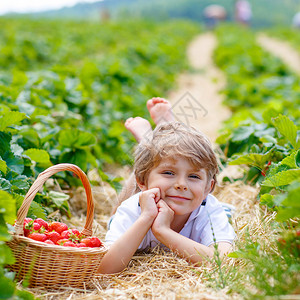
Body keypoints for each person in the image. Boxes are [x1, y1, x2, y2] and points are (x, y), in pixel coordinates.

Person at [98, 97, 235, 274]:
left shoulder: (209, 209)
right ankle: (149, 142)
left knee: (155, 163)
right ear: (141, 181)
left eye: (193, 176)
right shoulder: (133, 210)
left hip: (200, 203)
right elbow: (104, 269)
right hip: (139, 198)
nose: (181, 185)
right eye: (169, 173)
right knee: (120, 207)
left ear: (209, 188)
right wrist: (146, 218)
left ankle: (155, 141)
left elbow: (224, 263)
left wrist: (163, 231)